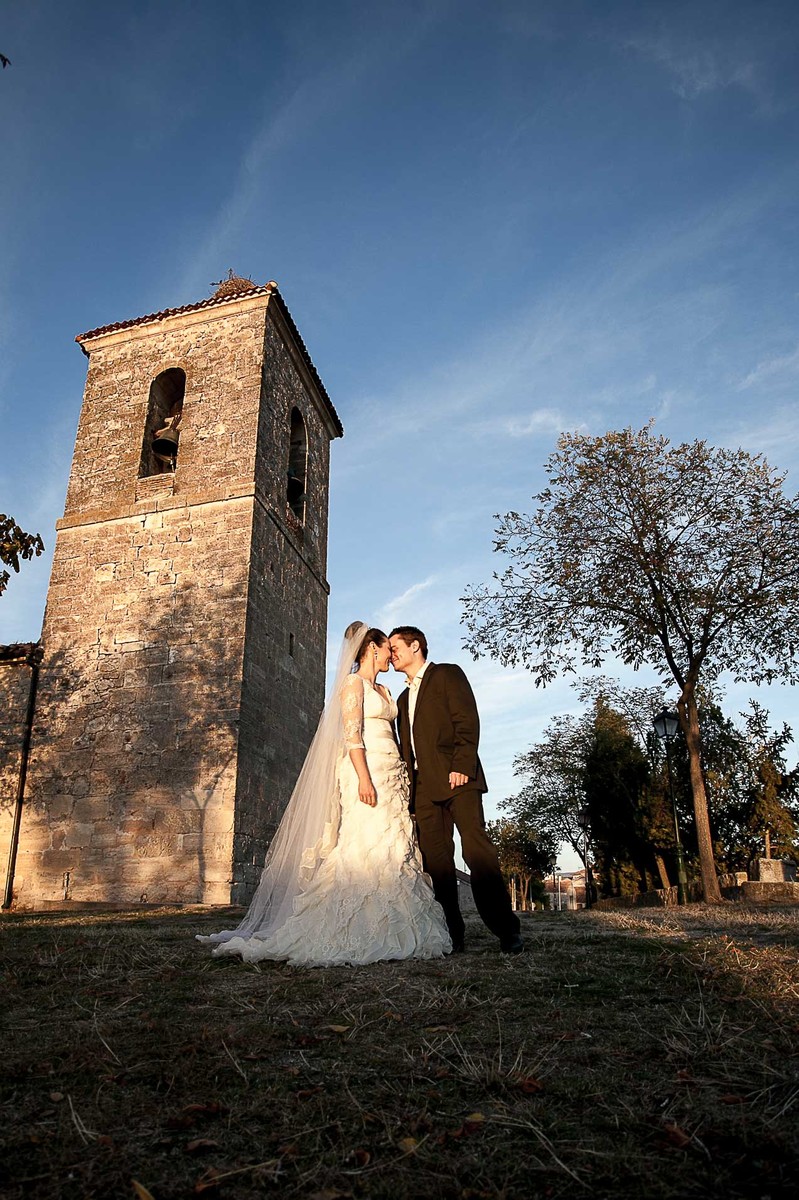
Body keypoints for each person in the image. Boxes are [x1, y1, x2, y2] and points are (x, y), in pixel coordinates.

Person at [197, 622, 451, 966]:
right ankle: (352, 921)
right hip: (366, 773)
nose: (391, 655)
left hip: (392, 775)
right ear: (372, 648)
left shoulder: (387, 691)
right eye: (387, 648)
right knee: (364, 841)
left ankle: (396, 918)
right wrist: (363, 778)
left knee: (395, 842)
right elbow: (352, 736)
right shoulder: (352, 685)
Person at [389, 626, 523, 955]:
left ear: (415, 645)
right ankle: (452, 935)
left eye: (395, 647)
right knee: (436, 866)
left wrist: (462, 765)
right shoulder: (403, 699)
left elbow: (466, 720)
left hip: (458, 780)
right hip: (423, 791)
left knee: (477, 853)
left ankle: (507, 931)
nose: (390, 653)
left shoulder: (447, 675)